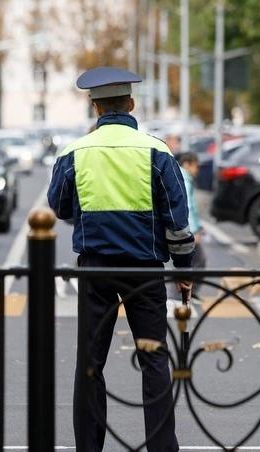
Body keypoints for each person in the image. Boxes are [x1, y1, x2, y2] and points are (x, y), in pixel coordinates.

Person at [47, 66, 194, 452]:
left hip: (95, 269)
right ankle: (162, 447)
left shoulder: (74, 152)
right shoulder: (157, 152)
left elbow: (59, 206)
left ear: (95, 107)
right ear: (131, 104)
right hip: (145, 271)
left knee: (91, 363)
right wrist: (185, 268)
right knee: (154, 360)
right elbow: (177, 219)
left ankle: (89, 447)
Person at [177, 152, 207, 287]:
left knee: (187, 261)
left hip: (181, 227)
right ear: (187, 164)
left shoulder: (177, 175)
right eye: (196, 166)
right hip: (187, 229)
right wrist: (194, 230)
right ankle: (186, 292)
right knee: (198, 261)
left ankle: (185, 291)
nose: (197, 170)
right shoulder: (185, 179)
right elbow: (188, 206)